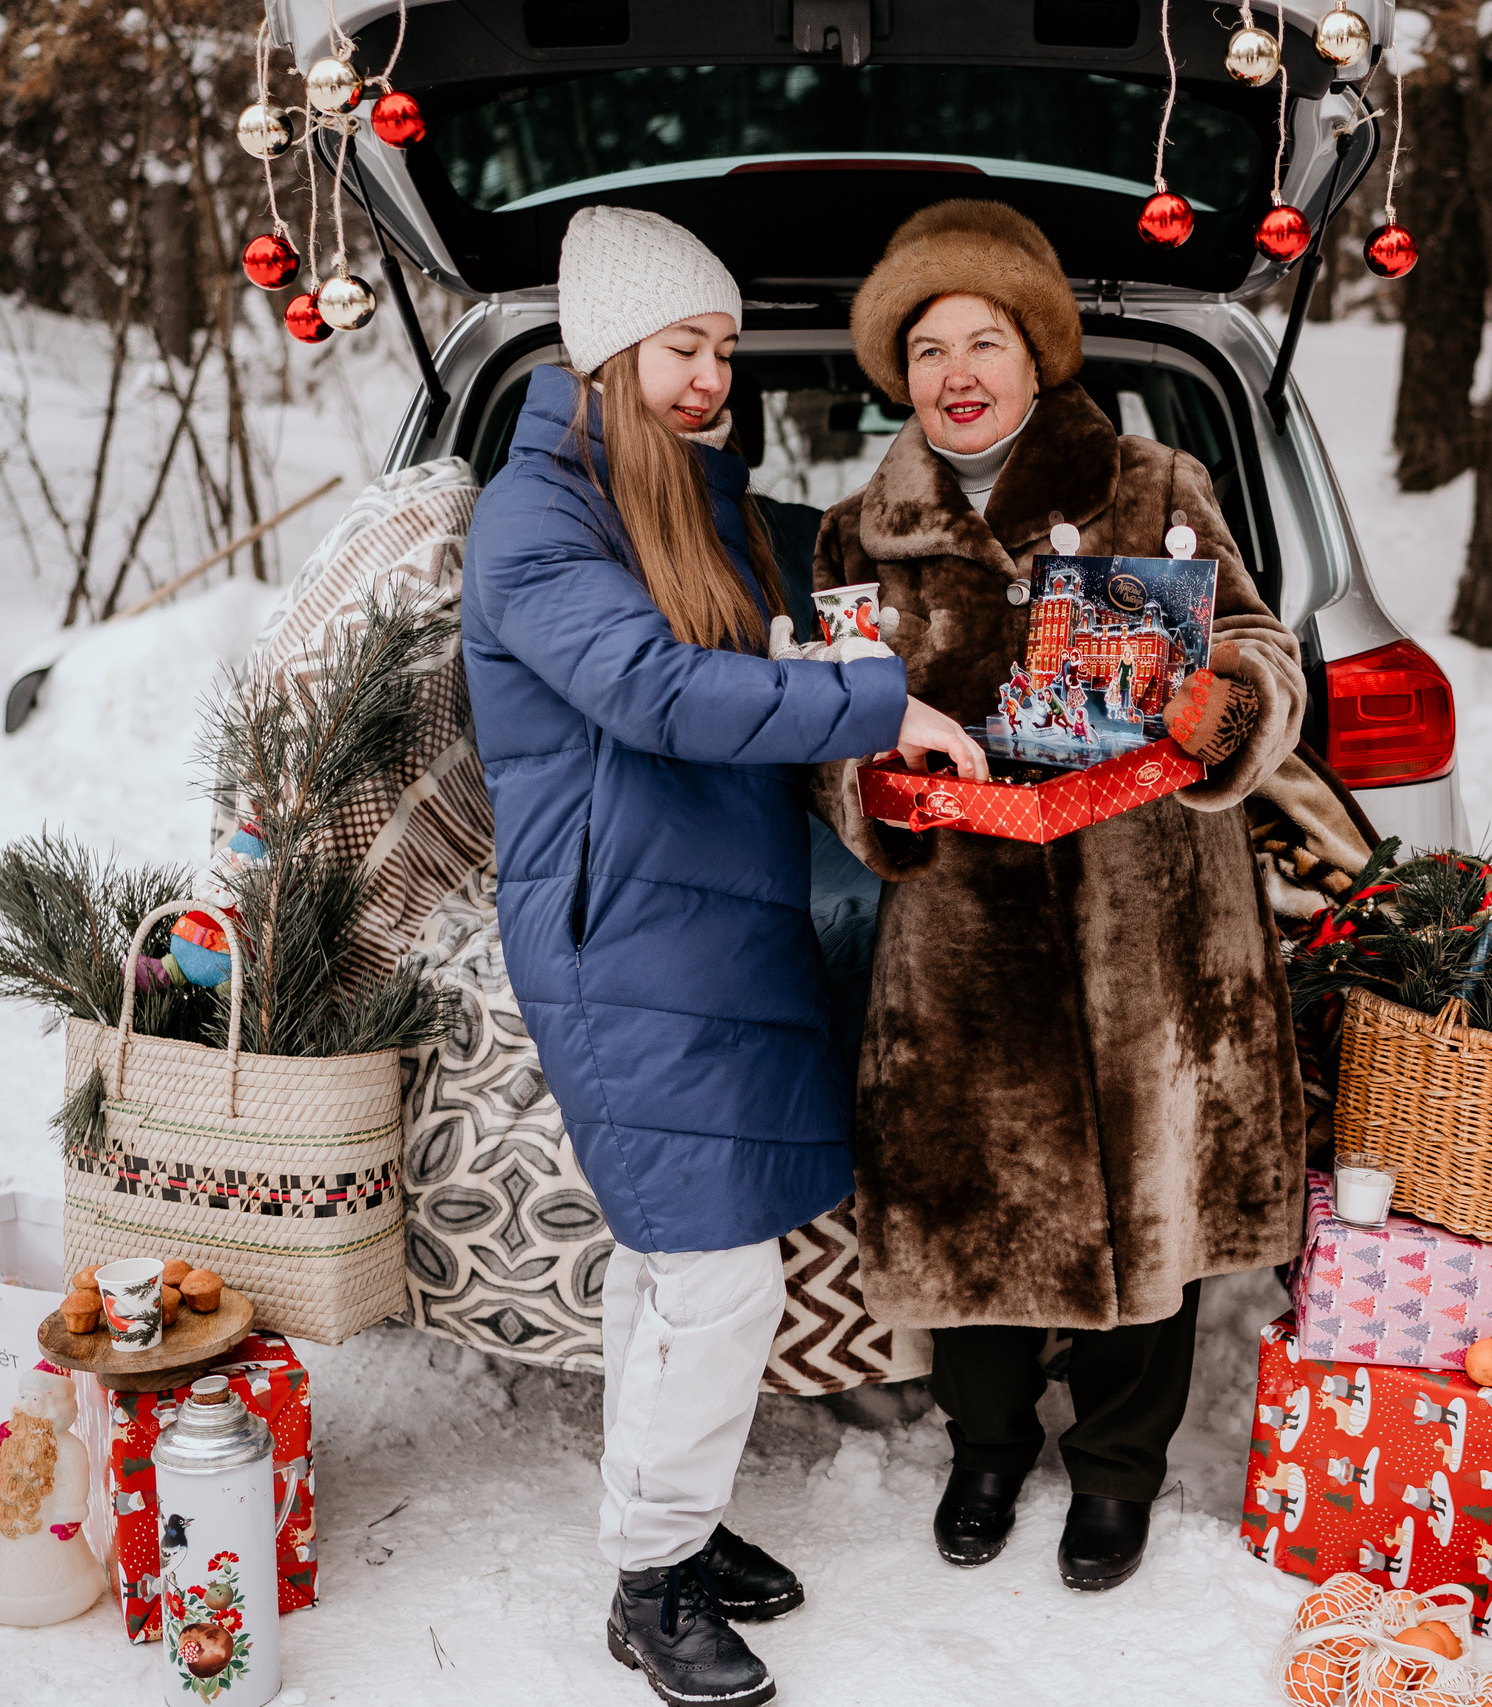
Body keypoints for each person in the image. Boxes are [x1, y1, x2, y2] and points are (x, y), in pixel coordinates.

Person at [461, 204, 985, 1707]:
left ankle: (665, 1528)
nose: (716, 377)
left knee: (675, 1260)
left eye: (724, 350)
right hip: (618, 928)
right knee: (718, 1274)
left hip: (714, 917)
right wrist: (874, 705)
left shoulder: (686, 498)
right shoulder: (537, 511)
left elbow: (728, 664)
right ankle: (648, 1583)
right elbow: (648, 689)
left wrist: (811, 666)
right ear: (611, 353)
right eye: (689, 348)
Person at [809, 200, 1310, 1593]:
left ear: (1037, 353)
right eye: (927, 348)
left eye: (985, 338)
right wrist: (872, 784)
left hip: (1150, 922)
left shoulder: (1156, 483)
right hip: (960, 940)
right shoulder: (862, 535)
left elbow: (1266, 650)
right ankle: (985, 1447)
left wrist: (1228, 706)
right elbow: (825, 735)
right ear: (898, 376)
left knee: (1152, 1203)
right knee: (974, 1205)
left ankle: (1117, 1471)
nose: (958, 370)